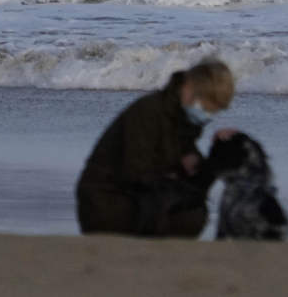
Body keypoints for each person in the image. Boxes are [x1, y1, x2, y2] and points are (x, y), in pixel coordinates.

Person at [75, 57, 236, 237]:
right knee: (184, 211)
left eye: (213, 111)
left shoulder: (182, 120)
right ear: (189, 88)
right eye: (206, 107)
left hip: (138, 198)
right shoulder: (148, 111)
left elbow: (193, 175)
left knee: (193, 211)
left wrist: (222, 149)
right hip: (106, 201)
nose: (207, 115)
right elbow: (136, 172)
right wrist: (175, 174)